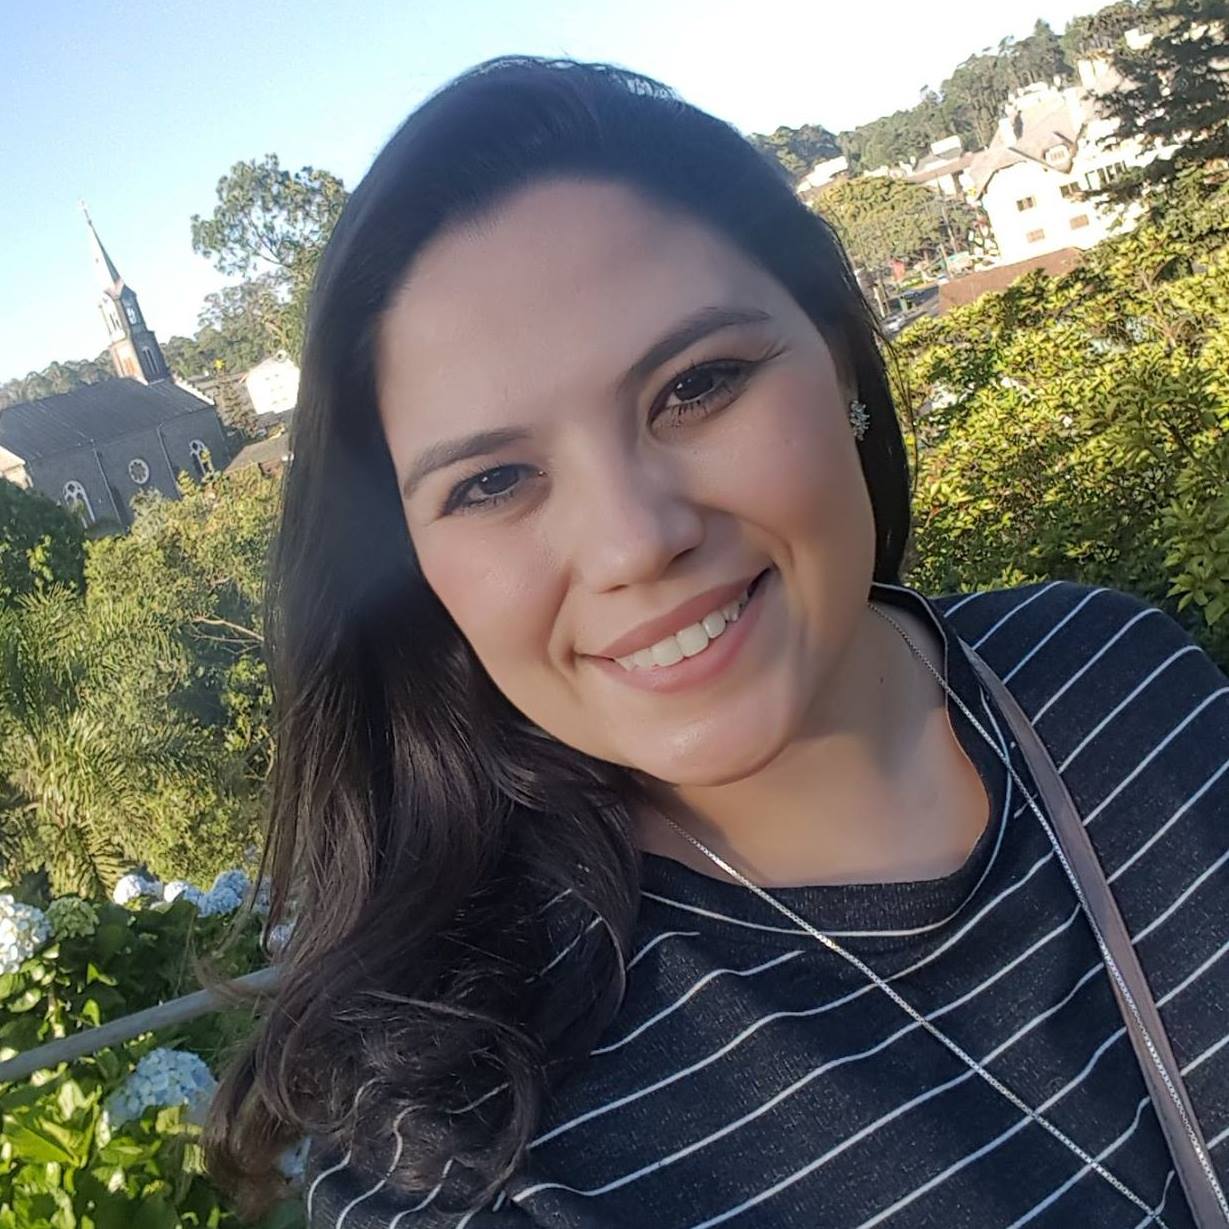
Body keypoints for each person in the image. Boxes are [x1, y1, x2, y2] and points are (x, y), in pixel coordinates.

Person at [204, 56, 1229, 1228]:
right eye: (491, 481)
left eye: (696, 386)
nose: (633, 541)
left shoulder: (1116, 677)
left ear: (838, 356)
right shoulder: (461, 1151)